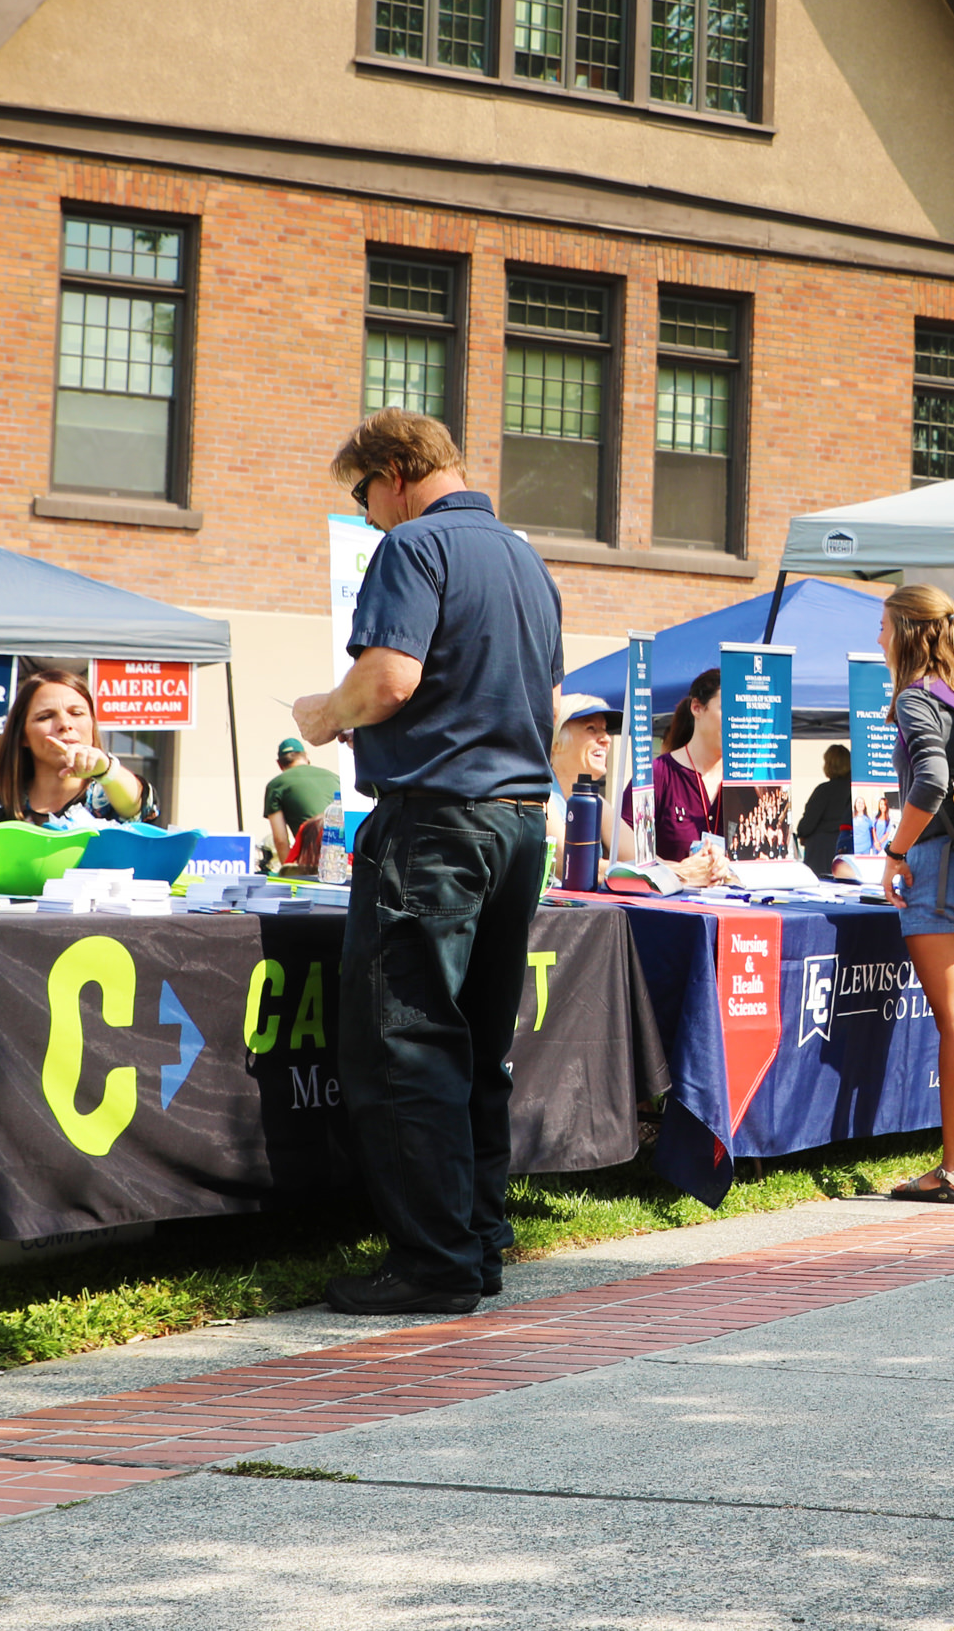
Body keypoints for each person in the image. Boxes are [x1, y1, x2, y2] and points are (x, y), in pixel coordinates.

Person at [296, 408, 563, 1314]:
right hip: (520, 821)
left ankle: (432, 1262)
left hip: (437, 824)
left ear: (398, 474)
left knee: (405, 1041)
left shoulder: (412, 550)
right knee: (480, 1045)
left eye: (367, 494)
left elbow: (390, 678)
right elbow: (551, 699)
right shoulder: (526, 557)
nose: (369, 516)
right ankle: (479, 1241)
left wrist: (326, 712)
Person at [870, 585, 954, 1202]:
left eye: (883, 626)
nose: (877, 638)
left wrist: (896, 851)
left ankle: (953, 1171)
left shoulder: (915, 698)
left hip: (940, 866)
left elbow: (928, 777)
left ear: (907, 631)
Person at [0, 668, 159, 826]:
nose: (65, 724)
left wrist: (106, 769)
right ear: (22, 735)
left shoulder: (108, 796)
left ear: (92, 724)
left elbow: (138, 803)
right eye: (45, 716)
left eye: (77, 713)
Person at [631, 669, 736, 887]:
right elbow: (627, 853)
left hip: (736, 911)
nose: (736, 720)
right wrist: (680, 872)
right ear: (697, 708)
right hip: (671, 910)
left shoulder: (747, 782)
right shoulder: (657, 774)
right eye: (728, 708)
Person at [548, 693, 617, 882]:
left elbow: (641, 859)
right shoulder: (541, 794)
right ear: (555, 741)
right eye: (591, 728)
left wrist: (686, 868)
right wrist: (680, 873)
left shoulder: (595, 801)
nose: (606, 739)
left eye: (605, 729)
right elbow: (573, 865)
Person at [264, 737, 343, 870]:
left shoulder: (276, 785)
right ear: (306, 758)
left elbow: (280, 839)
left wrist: (288, 873)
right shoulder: (334, 777)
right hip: (344, 855)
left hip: (313, 857)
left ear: (279, 764)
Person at [796, 743, 855, 880]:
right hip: (846, 856)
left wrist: (802, 833)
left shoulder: (824, 791)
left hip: (821, 854)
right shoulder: (854, 790)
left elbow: (806, 826)